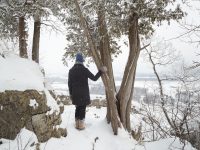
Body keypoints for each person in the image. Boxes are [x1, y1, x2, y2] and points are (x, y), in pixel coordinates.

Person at [68, 52, 107, 130]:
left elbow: (69, 84)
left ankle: (77, 124)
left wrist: (71, 94)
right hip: (83, 94)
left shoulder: (71, 70)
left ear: (76, 60)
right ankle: (81, 125)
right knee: (82, 108)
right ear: (82, 61)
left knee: (78, 108)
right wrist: (101, 71)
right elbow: (94, 78)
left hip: (75, 94)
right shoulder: (84, 70)